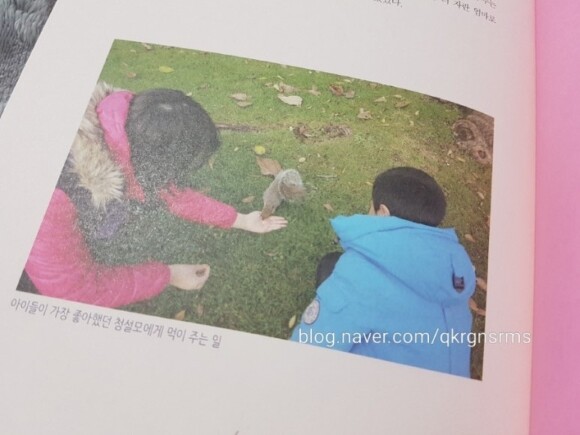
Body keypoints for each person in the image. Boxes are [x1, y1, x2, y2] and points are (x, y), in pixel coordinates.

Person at [20, 82, 287, 307]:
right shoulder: (56, 195)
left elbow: (169, 192)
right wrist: (168, 275)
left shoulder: (126, 125)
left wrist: (241, 220)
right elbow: (74, 290)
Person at [290, 167, 476, 377]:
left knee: (330, 266)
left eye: (370, 207)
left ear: (383, 213)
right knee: (332, 262)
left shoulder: (360, 272)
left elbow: (308, 353)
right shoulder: (455, 275)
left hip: (375, 394)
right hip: (449, 391)